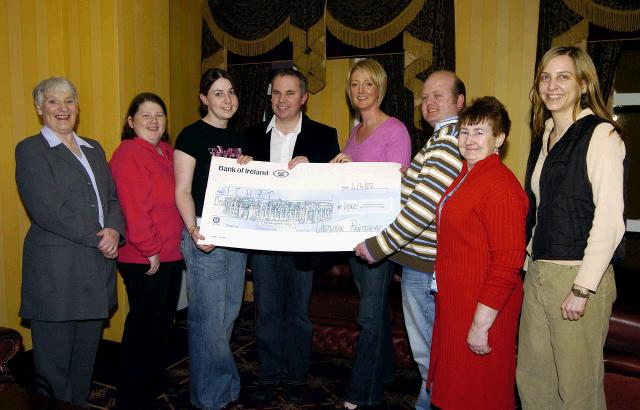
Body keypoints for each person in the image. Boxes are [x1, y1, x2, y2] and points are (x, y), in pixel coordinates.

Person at [517, 46, 625, 410]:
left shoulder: (601, 135)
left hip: (578, 277)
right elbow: (540, 210)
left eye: (563, 76)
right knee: (533, 380)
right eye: (545, 77)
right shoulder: (544, 136)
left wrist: (583, 288)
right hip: (539, 273)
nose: (552, 85)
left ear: (582, 84)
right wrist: (529, 266)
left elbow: (610, 220)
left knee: (577, 391)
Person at [354, 70, 465, 409]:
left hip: (425, 268)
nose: (428, 102)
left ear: (459, 102)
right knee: (431, 352)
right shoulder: (441, 141)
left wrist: (376, 247)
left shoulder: (447, 144)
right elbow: (421, 196)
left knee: (428, 353)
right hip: (422, 264)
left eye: (438, 95)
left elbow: (420, 211)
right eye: (425, 96)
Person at [15, 76, 125, 406]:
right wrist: (101, 237)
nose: (63, 109)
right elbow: (49, 210)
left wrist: (115, 231)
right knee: (53, 369)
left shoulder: (94, 147)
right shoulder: (31, 150)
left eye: (69, 101)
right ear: (39, 108)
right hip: (56, 275)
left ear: (77, 106)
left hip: (95, 270)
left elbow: (113, 200)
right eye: (53, 101)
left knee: (83, 367)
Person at [426, 97, 527, 409]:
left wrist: (481, 325)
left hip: (483, 307)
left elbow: (508, 262)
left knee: (480, 394)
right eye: (465, 132)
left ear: (499, 139)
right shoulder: (468, 174)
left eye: (480, 132)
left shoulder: (500, 186)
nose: (469, 140)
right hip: (458, 303)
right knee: (457, 390)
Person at [247, 68, 340, 404]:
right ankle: (270, 374)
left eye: (289, 93)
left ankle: (298, 375)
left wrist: (315, 168)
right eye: (275, 93)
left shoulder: (323, 136)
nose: (281, 100)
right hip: (264, 243)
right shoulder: (252, 135)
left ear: (303, 98)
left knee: (299, 313)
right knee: (267, 311)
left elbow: (333, 189)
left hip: (303, 242)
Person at [330, 59, 411, 409]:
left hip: (380, 240)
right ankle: (386, 373)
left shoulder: (395, 131)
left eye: (368, 84)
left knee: (367, 316)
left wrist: (355, 169)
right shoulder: (355, 132)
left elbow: (398, 184)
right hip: (354, 239)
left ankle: (362, 392)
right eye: (354, 85)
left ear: (380, 88)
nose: (360, 90)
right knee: (374, 313)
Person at [174, 69, 251, 410]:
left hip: (236, 236)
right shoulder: (190, 136)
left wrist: (250, 170)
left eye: (231, 91)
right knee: (207, 320)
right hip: (203, 232)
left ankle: (222, 384)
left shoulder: (241, 138)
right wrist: (193, 230)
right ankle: (209, 397)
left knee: (228, 315)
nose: (227, 99)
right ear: (204, 99)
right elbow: (182, 190)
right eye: (218, 93)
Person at [109, 93, 183, 409]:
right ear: (131, 122)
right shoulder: (128, 154)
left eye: (159, 116)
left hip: (170, 253)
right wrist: (150, 249)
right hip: (144, 257)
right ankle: (132, 394)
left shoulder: (166, 151)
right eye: (145, 116)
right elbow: (133, 208)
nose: (153, 121)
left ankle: (152, 377)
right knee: (143, 326)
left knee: (163, 323)